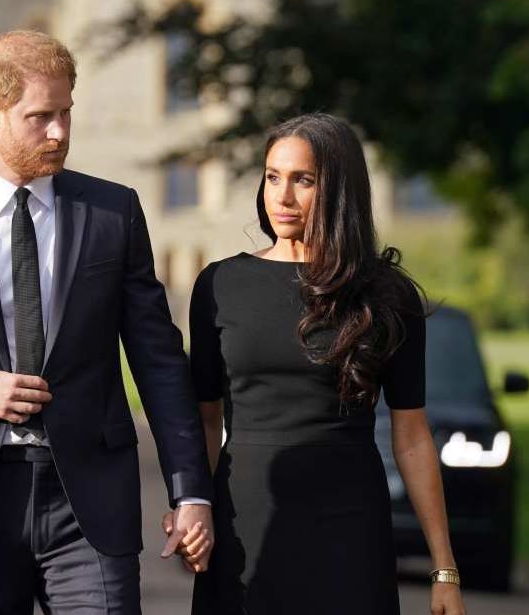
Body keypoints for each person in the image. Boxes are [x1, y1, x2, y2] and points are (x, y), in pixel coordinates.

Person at [0, 30, 215, 614]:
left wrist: (190, 491)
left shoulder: (113, 212)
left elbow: (159, 361)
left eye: (66, 113)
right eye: (41, 117)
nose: (60, 132)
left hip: (88, 504)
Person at [184, 113, 465, 614]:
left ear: (338, 189)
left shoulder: (385, 294)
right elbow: (204, 420)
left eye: (303, 180)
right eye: (272, 177)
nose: (282, 196)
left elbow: (412, 436)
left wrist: (444, 569)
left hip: (349, 526)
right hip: (243, 521)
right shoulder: (219, 286)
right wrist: (192, 508)